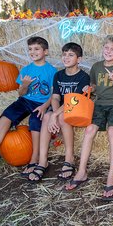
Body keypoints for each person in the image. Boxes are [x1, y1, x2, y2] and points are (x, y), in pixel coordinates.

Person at [65, 35, 113, 200]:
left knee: (112, 131)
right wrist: (89, 88)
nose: (108, 51)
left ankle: (111, 176)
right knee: (90, 130)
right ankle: (81, 172)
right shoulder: (97, 67)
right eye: (106, 48)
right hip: (99, 104)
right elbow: (93, 85)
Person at [0, 36, 57, 174]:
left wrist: (45, 106)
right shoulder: (26, 70)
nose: (33, 52)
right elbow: (20, 93)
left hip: (42, 103)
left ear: (46, 52)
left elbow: (54, 94)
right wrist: (25, 85)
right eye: (30, 49)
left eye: (37, 49)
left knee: (35, 120)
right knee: (6, 115)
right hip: (25, 100)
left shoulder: (52, 71)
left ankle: (34, 157)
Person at [27, 42, 90, 182]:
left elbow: (74, 101)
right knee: (46, 116)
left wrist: (56, 115)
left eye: (71, 55)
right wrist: (53, 114)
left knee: (61, 117)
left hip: (75, 108)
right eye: (64, 55)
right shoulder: (58, 75)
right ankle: (42, 161)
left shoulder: (83, 77)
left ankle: (69, 158)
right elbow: (55, 97)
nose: (66, 58)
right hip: (60, 108)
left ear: (79, 59)